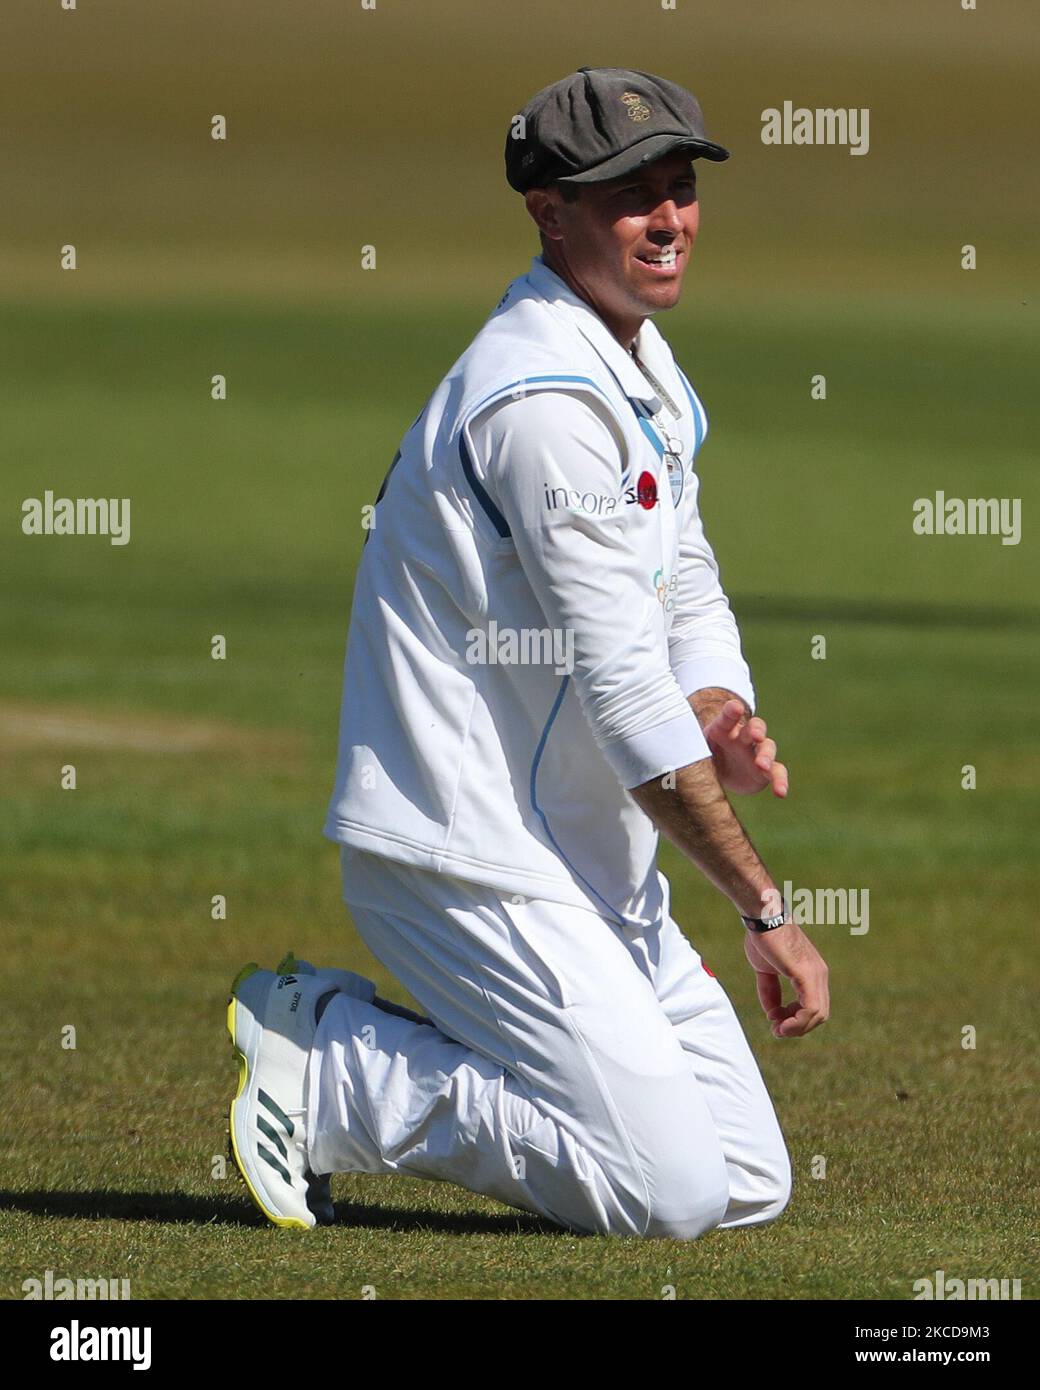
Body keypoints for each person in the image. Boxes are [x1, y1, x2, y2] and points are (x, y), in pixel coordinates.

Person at [226, 66, 829, 1238]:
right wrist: (762, 905)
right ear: (547, 211)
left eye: (677, 188)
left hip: (581, 850)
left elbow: (682, 569)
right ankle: (337, 1068)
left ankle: (444, 1058)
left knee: (747, 1181)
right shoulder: (539, 398)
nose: (666, 219)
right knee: (668, 1192)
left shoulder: (641, 368)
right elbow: (613, 686)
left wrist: (715, 700)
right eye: (628, 196)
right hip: (466, 852)